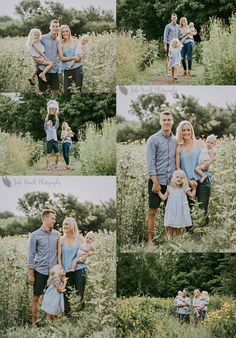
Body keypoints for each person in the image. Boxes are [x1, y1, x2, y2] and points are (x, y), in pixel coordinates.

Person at [146, 111, 177, 247]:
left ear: (172, 122)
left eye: (168, 120)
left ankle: (168, 240)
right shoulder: (153, 139)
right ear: (160, 122)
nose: (166, 122)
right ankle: (150, 240)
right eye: (164, 120)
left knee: (170, 212)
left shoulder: (176, 140)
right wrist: (155, 182)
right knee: (153, 211)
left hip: (171, 183)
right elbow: (150, 162)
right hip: (156, 182)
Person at [27, 209, 60, 327]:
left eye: (55, 219)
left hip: (54, 273)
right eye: (52, 218)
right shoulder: (35, 235)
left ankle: (50, 323)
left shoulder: (57, 234)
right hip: (40, 271)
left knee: (53, 298)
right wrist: (31, 274)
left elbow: (59, 252)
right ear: (45, 218)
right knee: (36, 297)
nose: (54, 221)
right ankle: (33, 324)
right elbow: (30, 255)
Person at [176, 121, 211, 223]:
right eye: (183, 130)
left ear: (191, 131)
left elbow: (208, 161)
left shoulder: (200, 143)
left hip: (202, 180)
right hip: (187, 182)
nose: (186, 132)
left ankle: (204, 235)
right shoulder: (179, 147)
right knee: (188, 210)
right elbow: (178, 168)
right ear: (180, 132)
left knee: (202, 210)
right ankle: (190, 236)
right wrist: (187, 181)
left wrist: (203, 166)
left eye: (188, 130)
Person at [58, 217, 87, 315]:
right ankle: (68, 317)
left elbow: (86, 254)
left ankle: (81, 316)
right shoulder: (61, 240)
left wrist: (77, 260)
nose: (64, 226)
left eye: (67, 224)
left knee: (80, 294)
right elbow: (59, 257)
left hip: (80, 269)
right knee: (66, 294)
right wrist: (61, 270)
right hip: (66, 271)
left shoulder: (80, 239)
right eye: (63, 224)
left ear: (72, 225)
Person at [158, 169, 196, 239]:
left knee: (178, 229)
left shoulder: (184, 188)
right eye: (177, 177)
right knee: (170, 229)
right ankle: (169, 243)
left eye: (181, 178)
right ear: (173, 178)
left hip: (180, 212)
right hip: (171, 211)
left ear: (184, 180)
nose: (179, 179)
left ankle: (178, 243)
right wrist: (158, 192)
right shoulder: (169, 188)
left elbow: (192, 195)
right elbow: (164, 198)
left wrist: (194, 188)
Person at [58, 25, 84, 93]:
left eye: (67, 31)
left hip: (77, 68)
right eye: (63, 32)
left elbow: (80, 53)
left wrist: (79, 57)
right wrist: (73, 58)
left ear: (69, 32)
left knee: (78, 90)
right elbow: (62, 58)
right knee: (66, 91)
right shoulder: (60, 44)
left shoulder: (75, 41)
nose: (65, 33)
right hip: (67, 69)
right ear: (61, 33)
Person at [37, 19, 60, 93]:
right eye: (53, 26)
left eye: (57, 26)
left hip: (54, 69)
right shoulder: (42, 38)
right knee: (42, 91)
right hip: (42, 69)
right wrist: (35, 59)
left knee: (55, 91)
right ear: (50, 27)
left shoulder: (59, 40)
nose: (55, 28)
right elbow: (32, 46)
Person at [44, 100, 60, 171]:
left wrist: (56, 114)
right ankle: (47, 167)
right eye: (49, 122)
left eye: (51, 122)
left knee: (58, 155)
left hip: (55, 141)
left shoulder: (54, 128)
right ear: (47, 124)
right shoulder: (46, 128)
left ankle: (56, 165)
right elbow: (45, 121)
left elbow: (57, 122)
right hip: (49, 142)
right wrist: (48, 114)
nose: (50, 123)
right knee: (48, 155)